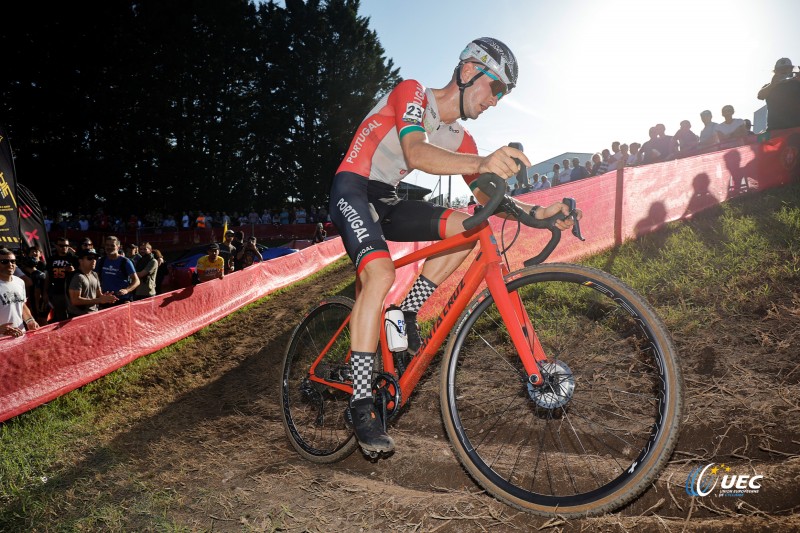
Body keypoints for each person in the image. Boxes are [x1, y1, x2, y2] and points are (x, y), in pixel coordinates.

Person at [328, 37, 580, 455]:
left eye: (503, 95)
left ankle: (406, 311)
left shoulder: (461, 140)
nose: (496, 102)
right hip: (351, 187)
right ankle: (359, 403)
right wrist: (482, 163)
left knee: (471, 226)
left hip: (387, 197)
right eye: (496, 88)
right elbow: (416, 151)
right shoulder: (412, 92)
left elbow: (487, 198)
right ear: (467, 73)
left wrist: (539, 214)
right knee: (380, 272)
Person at [0, 248, 39, 337]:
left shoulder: (20, 282)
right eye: (4, 261)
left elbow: (21, 304)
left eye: (13, 261)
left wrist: (30, 320)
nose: (10, 264)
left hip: (20, 337)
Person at [67, 248, 117, 316]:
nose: (94, 260)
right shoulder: (77, 277)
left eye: (95, 258)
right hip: (78, 317)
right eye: (90, 258)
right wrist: (99, 300)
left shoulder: (94, 274)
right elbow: (75, 300)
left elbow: (98, 294)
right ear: (80, 261)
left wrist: (106, 298)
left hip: (93, 314)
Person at [758, 58, 800, 132]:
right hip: (775, 129)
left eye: (786, 68)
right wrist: (772, 84)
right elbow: (760, 96)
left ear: (791, 70)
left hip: (796, 128)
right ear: (775, 72)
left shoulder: (797, 83)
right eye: (780, 69)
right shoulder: (769, 86)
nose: (783, 71)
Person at [96, 236, 140, 305]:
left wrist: (127, 290)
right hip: (105, 300)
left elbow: (137, 281)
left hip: (122, 300)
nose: (109, 247)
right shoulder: (101, 261)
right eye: (107, 245)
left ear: (118, 247)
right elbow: (96, 279)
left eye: (112, 245)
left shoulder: (125, 262)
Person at [44, 237, 77, 322]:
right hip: (57, 291)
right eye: (61, 245)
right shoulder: (51, 259)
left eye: (66, 245)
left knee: (72, 316)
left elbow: (82, 273)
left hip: (71, 291)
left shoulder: (73, 258)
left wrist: (73, 271)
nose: (64, 247)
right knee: (60, 316)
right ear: (56, 246)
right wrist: (45, 292)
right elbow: (48, 276)